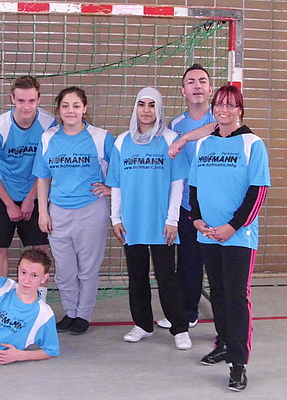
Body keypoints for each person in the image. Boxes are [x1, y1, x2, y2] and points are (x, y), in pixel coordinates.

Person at [189, 85, 270, 391]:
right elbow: (194, 187)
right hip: (208, 234)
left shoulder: (252, 144)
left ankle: (238, 363)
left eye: (230, 105)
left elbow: (257, 192)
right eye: (219, 104)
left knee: (236, 296)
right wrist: (196, 219)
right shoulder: (204, 144)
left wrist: (233, 227)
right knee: (219, 294)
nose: (223, 109)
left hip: (238, 236)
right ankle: (223, 343)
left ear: (240, 110)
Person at [102, 87, 191, 350]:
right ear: (135, 108)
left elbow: (177, 183)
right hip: (132, 222)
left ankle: (179, 327)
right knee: (137, 275)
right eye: (142, 104)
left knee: (167, 276)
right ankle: (142, 324)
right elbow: (116, 184)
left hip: (161, 222)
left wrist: (172, 219)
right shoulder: (122, 142)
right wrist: (115, 218)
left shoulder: (170, 139)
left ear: (159, 109)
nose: (146, 110)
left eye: (152, 105)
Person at [33, 87, 114, 335]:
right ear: (58, 109)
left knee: (87, 269)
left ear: (84, 108)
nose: (71, 111)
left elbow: (122, 169)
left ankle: (83, 315)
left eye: (76, 106)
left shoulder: (101, 137)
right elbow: (42, 177)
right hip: (58, 212)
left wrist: (111, 188)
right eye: (65, 106)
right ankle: (70, 312)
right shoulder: (48, 137)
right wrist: (43, 212)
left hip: (91, 211)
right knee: (65, 270)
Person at [0, 76, 55, 297]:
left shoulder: (49, 124)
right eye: (21, 100)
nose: (26, 106)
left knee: (40, 249)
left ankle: (39, 300)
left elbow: (48, 167)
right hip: (4, 194)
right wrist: (9, 204)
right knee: (0, 247)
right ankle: (0, 298)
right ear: (12, 99)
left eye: (31, 101)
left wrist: (31, 199)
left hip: (35, 192)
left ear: (39, 99)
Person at [156, 63, 215, 330]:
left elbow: (214, 128)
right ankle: (186, 313)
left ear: (210, 89)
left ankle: (226, 320)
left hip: (215, 205)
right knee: (188, 261)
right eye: (191, 82)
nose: (197, 86)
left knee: (214, 263)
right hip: (187, 204)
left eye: (202, 81)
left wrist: (185, 139)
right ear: (183, 91)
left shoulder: (220, 117)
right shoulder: (176, 124)